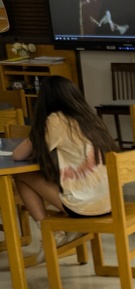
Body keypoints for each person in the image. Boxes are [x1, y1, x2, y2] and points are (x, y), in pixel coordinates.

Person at [11, 75, 115, 262]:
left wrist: (37, 130)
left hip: (86, 207)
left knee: (22, 175)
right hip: (110, 201)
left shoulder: (55, 120)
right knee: (48, 177)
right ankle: (54, 233)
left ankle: (49, 233)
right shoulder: (89, 118)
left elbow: (18, 155)